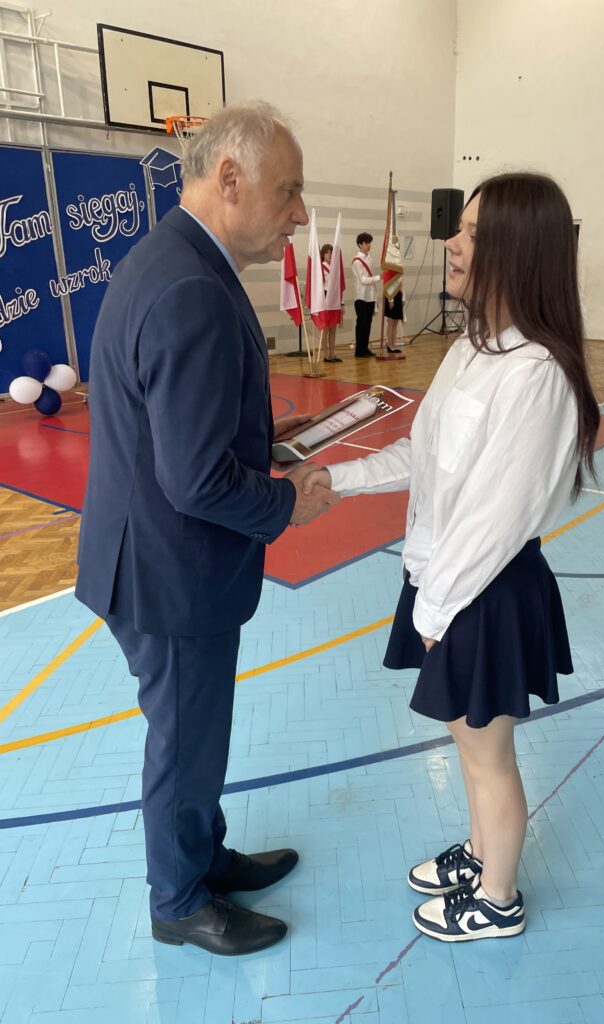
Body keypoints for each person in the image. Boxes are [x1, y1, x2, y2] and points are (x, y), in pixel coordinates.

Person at [300, 172, 600, 942]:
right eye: (457, 229)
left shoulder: (536, 374)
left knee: (487, 753)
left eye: (471, 233)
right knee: (467, 741)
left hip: (482, 589)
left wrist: (435, 609)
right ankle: (479, 850)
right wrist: (339, 479)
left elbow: (495, 520)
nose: (452, 244)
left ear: (517, 250)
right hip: (444, 578)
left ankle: (498, 898)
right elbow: (424, 452)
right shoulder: (471, 348)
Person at [75, 104, 339, 957]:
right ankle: (179, 901)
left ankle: (203, 856)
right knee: (185, 740)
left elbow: (175, 428)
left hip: (153, 556)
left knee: (197, 733)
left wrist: (264, 440)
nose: (299, 212)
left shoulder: (174, 259)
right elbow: (191, 478)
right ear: (230, 178)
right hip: (169, 571)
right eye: (288, 191)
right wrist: (285, 504)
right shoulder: (190, 285)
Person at [351, 231, 380, 357]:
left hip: (370, 297)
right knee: (361, 324)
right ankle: (359, 350)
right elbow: (363, 280)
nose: (369, 245)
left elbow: (370, 280)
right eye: (366, 243)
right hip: (361, 297)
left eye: (369, 243)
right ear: (360, 244)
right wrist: (379, 277)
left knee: (368, 324)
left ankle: (365, 348)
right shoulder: (357, 261)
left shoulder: (370, 259)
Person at [320, 242, 342, 363]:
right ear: (323, 255)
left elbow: (338, 287)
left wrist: (342, 303)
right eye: (327, 253)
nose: (329, 255)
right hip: (325, 298)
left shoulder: (335, 268)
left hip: (334, 299)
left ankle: (332, 354)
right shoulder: (320, 268)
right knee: (325, 329)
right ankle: (326, 355)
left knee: (333, 329)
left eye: (331, 253)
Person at [383, 288, 404, 354]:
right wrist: (390, 300)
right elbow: (388, 285)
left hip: (398, 295)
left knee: (395, 323)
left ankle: (393, 345)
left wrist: (402, 297)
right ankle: (390, 345)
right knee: (391, 322)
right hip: (391, 296)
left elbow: (399, 284)